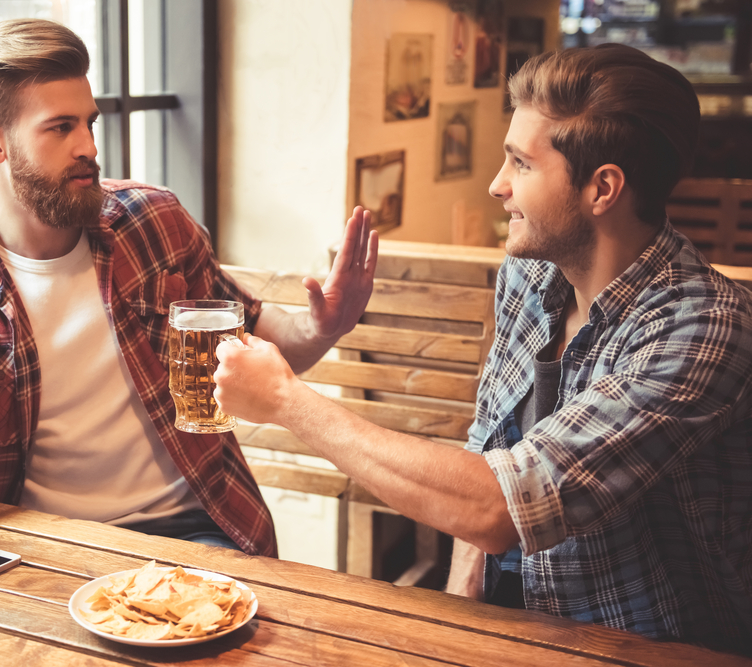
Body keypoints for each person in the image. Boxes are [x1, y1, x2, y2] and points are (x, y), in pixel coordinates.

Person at [213, 43, 752, 653]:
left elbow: (503, 504)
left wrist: (287, 401)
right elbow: (491, 439)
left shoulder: (702, 328)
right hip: (514, 623)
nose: (497, 186)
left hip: (642, 644)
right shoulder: (532, 273)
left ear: (603, 189)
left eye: (521, 164)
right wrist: (459, 603)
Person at [0, 18, 378, 558]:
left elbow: (258, 340)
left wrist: (322, 325)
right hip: (41, 550)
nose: (88, 147)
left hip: (197, 527)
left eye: (89, 124)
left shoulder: (153, 220)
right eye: (60, 127)